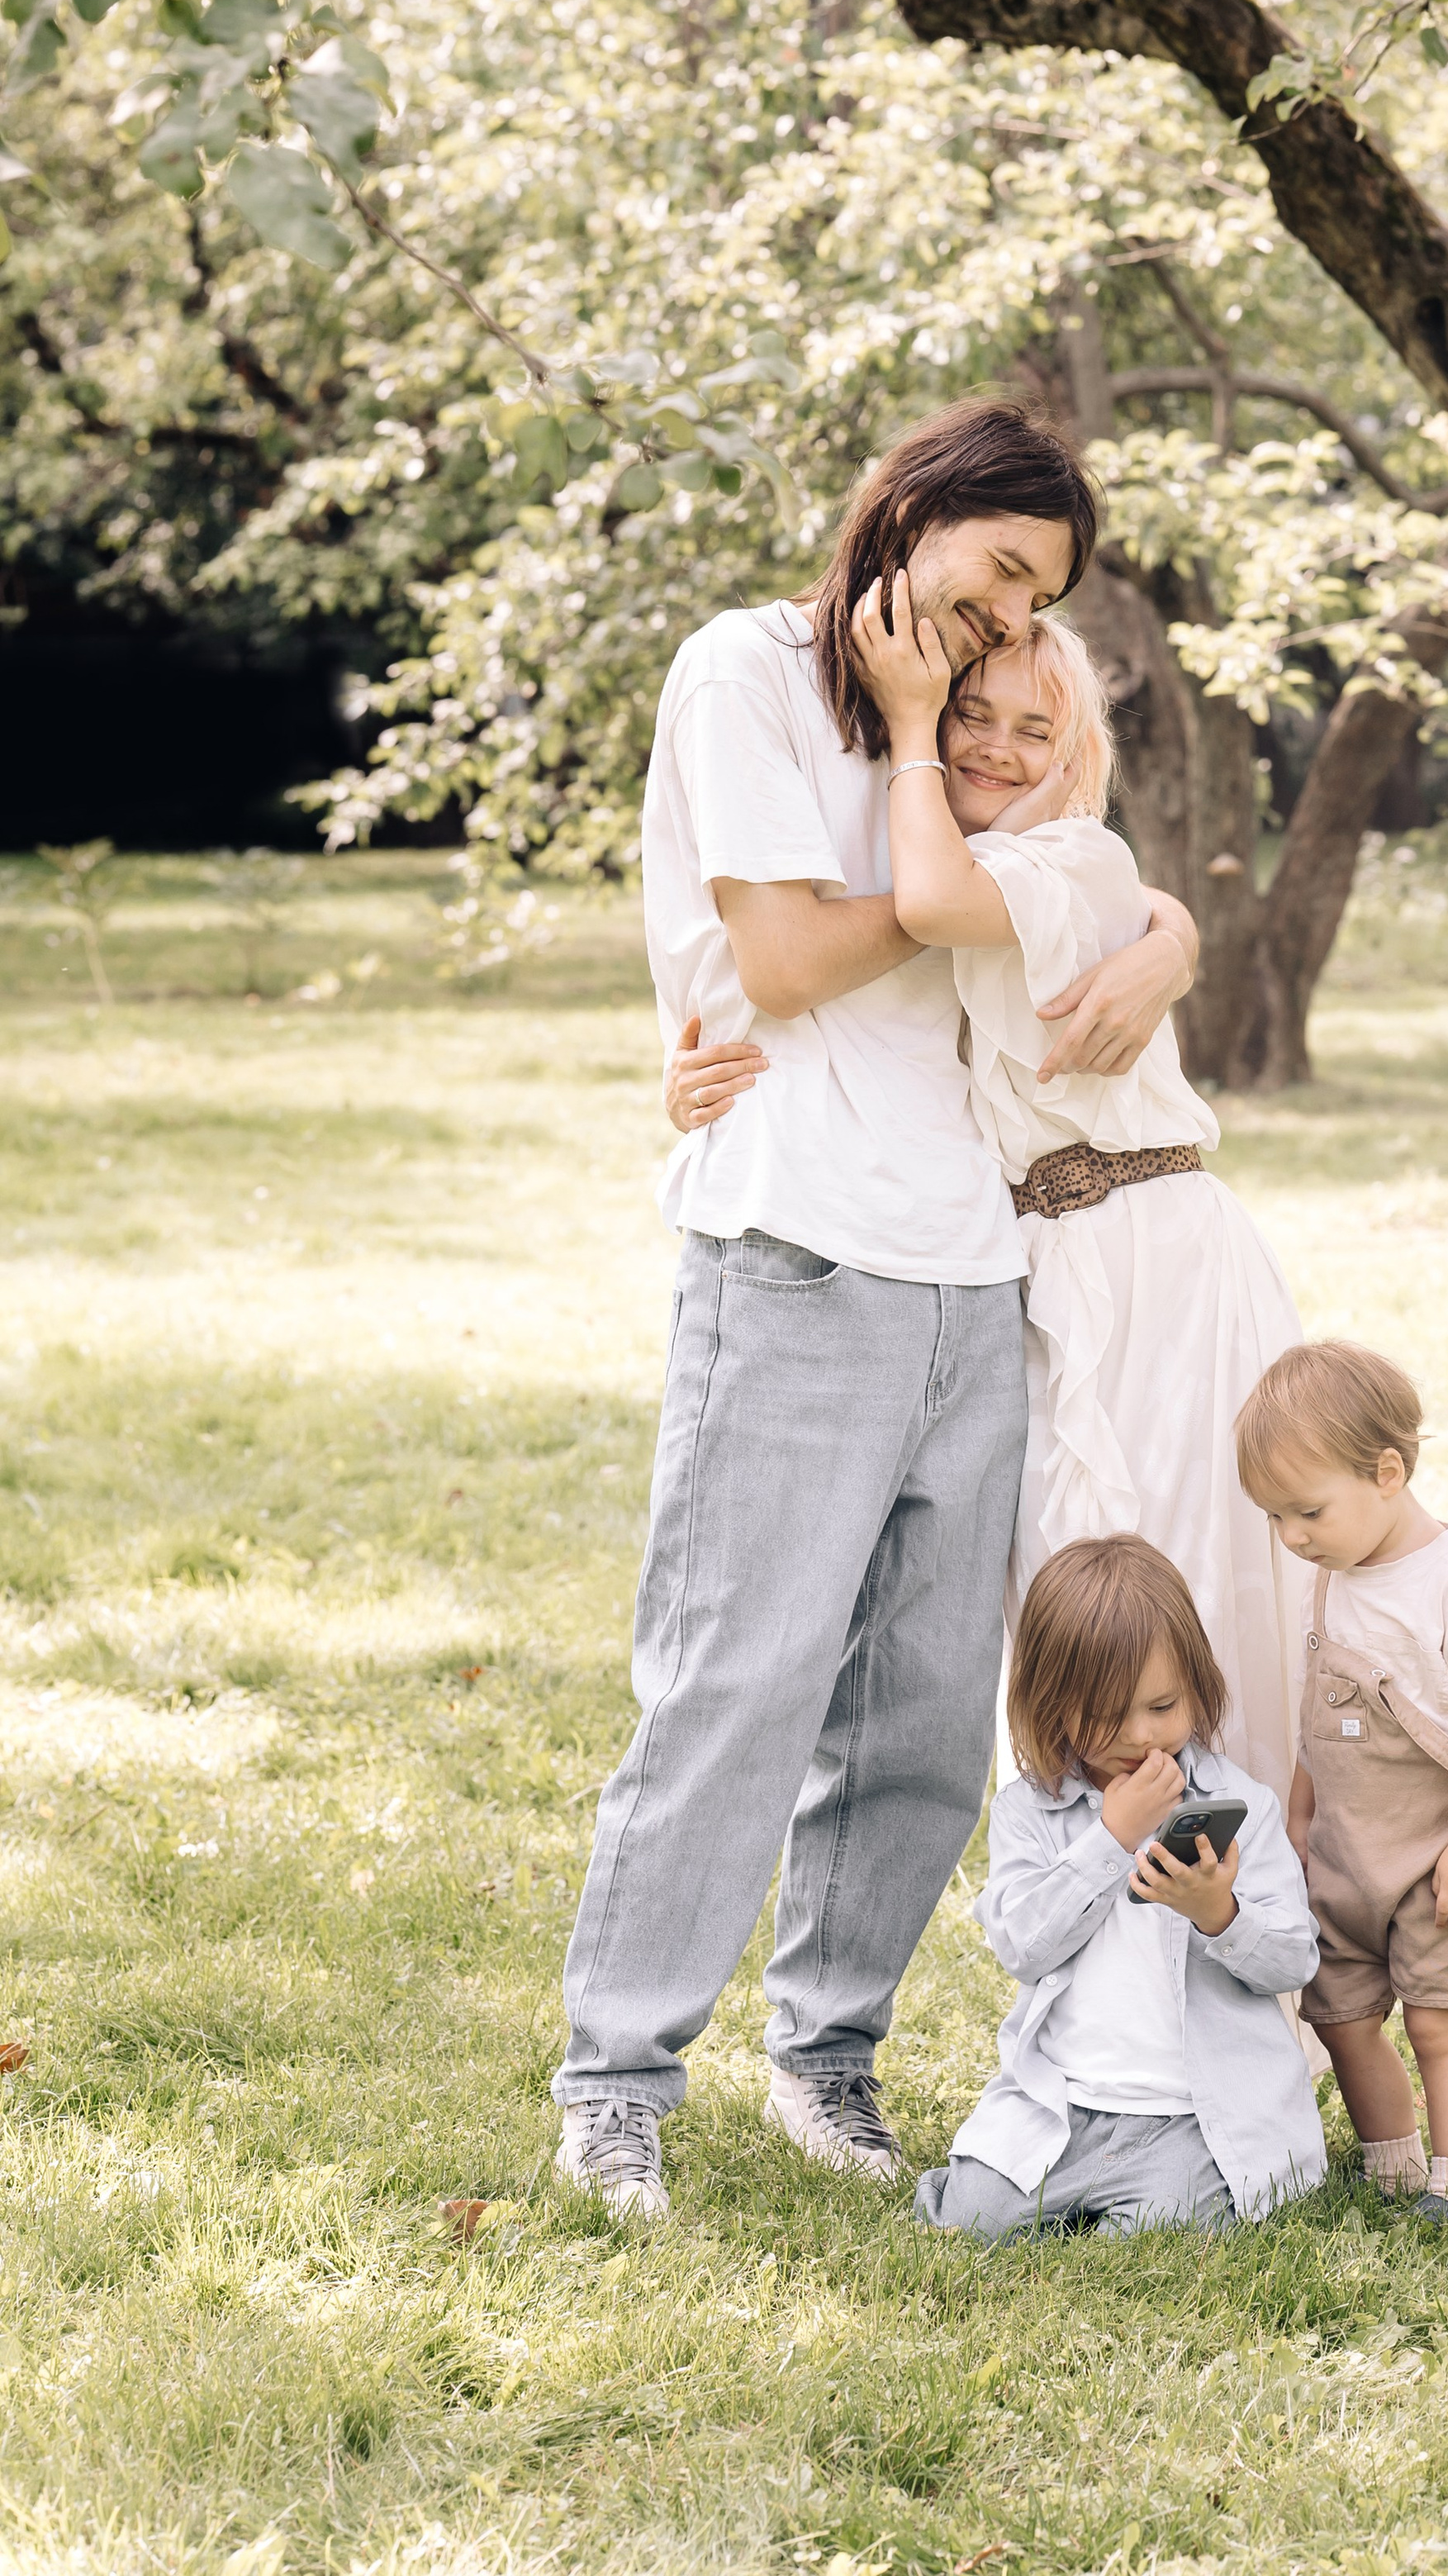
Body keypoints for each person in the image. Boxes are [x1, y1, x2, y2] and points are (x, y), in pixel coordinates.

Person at [552, 399, 1197, 2223]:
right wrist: (948, 847)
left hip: (979, 1277)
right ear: (908, 513)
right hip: (796, 1252)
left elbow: (1085, 881)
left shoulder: (981, 735)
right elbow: (783, 959)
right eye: (996, 573)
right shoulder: (745, 674)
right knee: (734, 1688)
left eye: (1038, 601)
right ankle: (616, 2078)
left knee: (919, 1720)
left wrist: (1155, 928)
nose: (1008, 627)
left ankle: (825, 2056)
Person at [843, 586, 1307, 1794]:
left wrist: (906, 728)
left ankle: (1241, 1921)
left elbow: (941, 900)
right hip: (1047, 1271)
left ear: (1074, 754)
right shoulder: (962, 869)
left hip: (1159, 1252)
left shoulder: (1075, 857)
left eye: (1033, 730)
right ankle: (1090, 1927)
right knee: (1069, 1598)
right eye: (969, 715)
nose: (996, 746)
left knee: (1193, 1575)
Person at [914, 1536, 1325, 2241]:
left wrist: (1217, 1914)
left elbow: (1295, 1959)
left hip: (1192, 2116)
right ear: (1054, 1705)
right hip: (1061, 2107)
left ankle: (1164, 2198)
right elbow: (1021, 1944)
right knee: (969, 2222)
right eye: (1107, 1713)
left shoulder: (1242, 1806)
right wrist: (1110, 1836)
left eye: (1163, 1705)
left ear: (1198, 1685)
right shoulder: (1029, 1812)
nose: (1141, 1736)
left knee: (1160, 2236)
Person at [1237, 1339, 1448, 2224]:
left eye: (1307, 1511)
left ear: (1388, 1472)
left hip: (1441, 1855)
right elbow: (1319, 1707)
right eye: (1274, 1518)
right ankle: (1390, 2162)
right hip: (1345, 1847)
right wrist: (1299, 1805)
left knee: (1438, 2020)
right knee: (1339, 2010)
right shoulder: (1331, 1577)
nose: (1292, 1537)